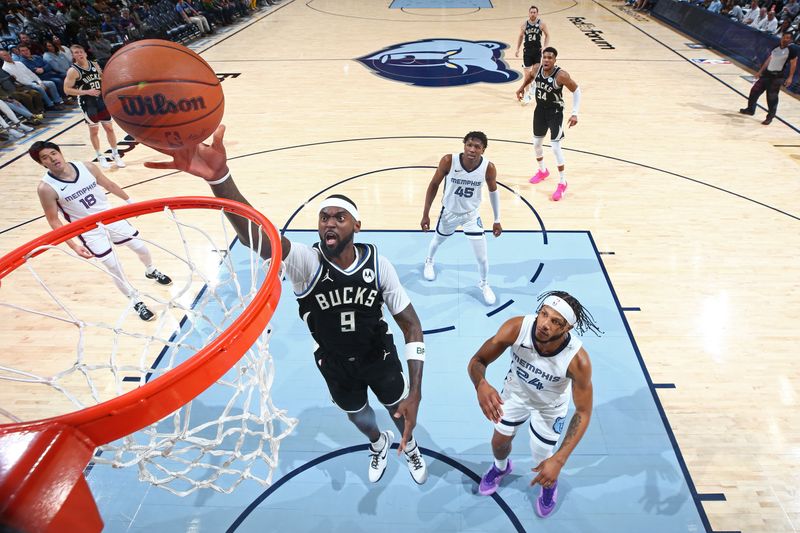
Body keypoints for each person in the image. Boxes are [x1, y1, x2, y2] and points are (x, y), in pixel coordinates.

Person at [144, 125, 429, 485]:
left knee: (397, 406)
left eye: (339, 218)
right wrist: (221, 180)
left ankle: (410, 444)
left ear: (357, 225)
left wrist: (416, 391)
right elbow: (259, 238)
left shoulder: (378, 264)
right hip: (335, 361)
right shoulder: (307, 263)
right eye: (324, 217)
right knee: (359, 417)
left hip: (378, 356)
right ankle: (378, 443)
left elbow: (411, 324)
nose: (329, 223)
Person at [467, 291, 600, 518]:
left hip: (550, 407)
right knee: (499, 443)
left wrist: (559, 459)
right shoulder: (517, 328)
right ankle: (501, 468)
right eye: (544, 314)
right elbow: (478, 360)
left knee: (543, 459)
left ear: (566, 329)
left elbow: (583, 412)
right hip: (516, 393)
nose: (544, 324)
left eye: (555, 322)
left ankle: (549, 486)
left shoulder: (578, 360)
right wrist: (480, 384)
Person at [30, 141, 173, 322]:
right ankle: (135, 300)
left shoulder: (87, 167)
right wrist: (74, 245)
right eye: (45, 158)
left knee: (141, 248)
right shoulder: (46, 188)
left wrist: (132, 203)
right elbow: (53, 220)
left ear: (60, 152)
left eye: (53, 153)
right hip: (88, 230)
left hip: (111, 217)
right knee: (113, 266)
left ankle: (151, 270)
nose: (52, 158)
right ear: (42, 163)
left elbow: (110, 185)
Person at [419, 131, 502, 306]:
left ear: (483, 150)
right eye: (469, 145)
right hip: (449, 212)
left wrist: (497, 219)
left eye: (477, 147)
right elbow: (434, 185)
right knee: (438, 240)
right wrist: (426, 213)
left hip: (471, 215)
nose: (472, 149)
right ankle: (429, 261)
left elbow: (493, 191)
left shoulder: (489, 167)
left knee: (482, 257)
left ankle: (484, 283)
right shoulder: (449, 161)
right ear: (464, 145)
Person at [515, 47, 581, 202]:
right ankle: (543, 171)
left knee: (555, 146)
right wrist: (521, 88)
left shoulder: (561, 75)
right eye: (544, 57)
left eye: (550, 57)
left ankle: (562, 182)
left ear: (555, 60)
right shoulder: (537, 69)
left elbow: (577, 91)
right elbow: (530, 77)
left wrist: (575, 113)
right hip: (540, 110)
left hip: (555, 112)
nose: (546, 60)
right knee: (536, 143)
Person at [64, 44, 126, 168]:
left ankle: (115, 153)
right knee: (94, 130)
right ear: (73, 56)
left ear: (85, 53)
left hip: (101, 100)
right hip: (87, 103)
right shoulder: (73, 71)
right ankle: (100, 155)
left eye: (81, 52)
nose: (79, 54)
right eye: (76, 52)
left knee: (109, 128)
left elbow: (102, 79)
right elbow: (67, 90)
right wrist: (86, 92)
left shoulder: (95, 65)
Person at [739, 32, 798, 125]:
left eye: (787, 38)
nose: (785, 39)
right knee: (754, 90)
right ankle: (750, 109)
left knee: (771, 98)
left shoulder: (792, 49)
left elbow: (793, 63)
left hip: (777, 77)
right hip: (766, 74)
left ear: (791, 40)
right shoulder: (776, 47)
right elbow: (769, 59)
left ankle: (770, 117)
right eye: (784, 37)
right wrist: (760, 71)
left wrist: (790, 77)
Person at [0, 49, 66, 111]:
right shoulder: (5, 68)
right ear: (1, 58)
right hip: (25, 85)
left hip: (34, 81)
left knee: (51, 83)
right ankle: (50, 105)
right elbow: (18, 80)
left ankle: (57, 101)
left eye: (8, 54)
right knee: (39, 87)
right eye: (5, 55)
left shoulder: (19, 63)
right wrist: (34, 83)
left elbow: (30, 73)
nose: (8, 56)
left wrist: (39, 81)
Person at [515, 5, 549, 105]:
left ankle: (533, 85)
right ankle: (526, 95)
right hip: (527, 51)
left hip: (537, 51)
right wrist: (517, 49)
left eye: (534, 12)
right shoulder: (524, 25)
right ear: (529, 13)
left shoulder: (541, 24)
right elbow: (520, 37)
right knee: (526, 74)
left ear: (537, 13)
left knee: (535, 72)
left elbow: (547, 35)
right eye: (531, 12)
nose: (533, 14)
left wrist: (545, 46)